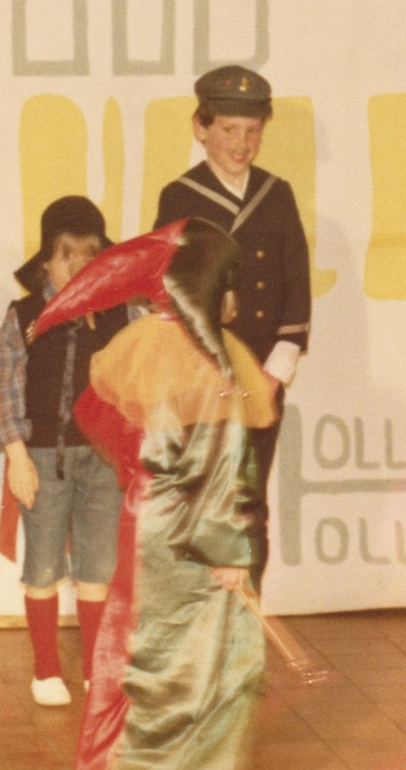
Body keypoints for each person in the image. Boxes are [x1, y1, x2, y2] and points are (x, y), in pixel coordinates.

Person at [27, 218, 274, 769]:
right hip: (192, 537)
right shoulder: (207, 358)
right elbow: (215, 465)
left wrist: (137, 473)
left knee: (136, 644)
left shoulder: (143, 345)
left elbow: (94, 413)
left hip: (147, 519)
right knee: (191, 659)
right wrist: (229, 550)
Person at [153, 64, 309, 593]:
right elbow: (168, 292)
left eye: (252, 131)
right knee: (201, 500)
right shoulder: (179, 197)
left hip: (260, 375)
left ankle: (245, 622)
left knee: (248, 502)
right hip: (202, 377)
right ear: (200, 128)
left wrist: (275, 373)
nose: (241, 144)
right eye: (228, 129)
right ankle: (201, 624)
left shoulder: (277, 194)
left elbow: (296, 285)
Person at [0, 196, 130, 707]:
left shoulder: (122, 314)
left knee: (98, 566)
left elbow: (137, 384)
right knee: (44, 563)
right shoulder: (25, 316)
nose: (76, 267)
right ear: (45, 261)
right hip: (43, 457)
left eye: (88, 256)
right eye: (65, 255)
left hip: (104, 459)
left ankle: (96, 667)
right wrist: (17, 455)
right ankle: (46, 668)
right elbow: (4, 387)